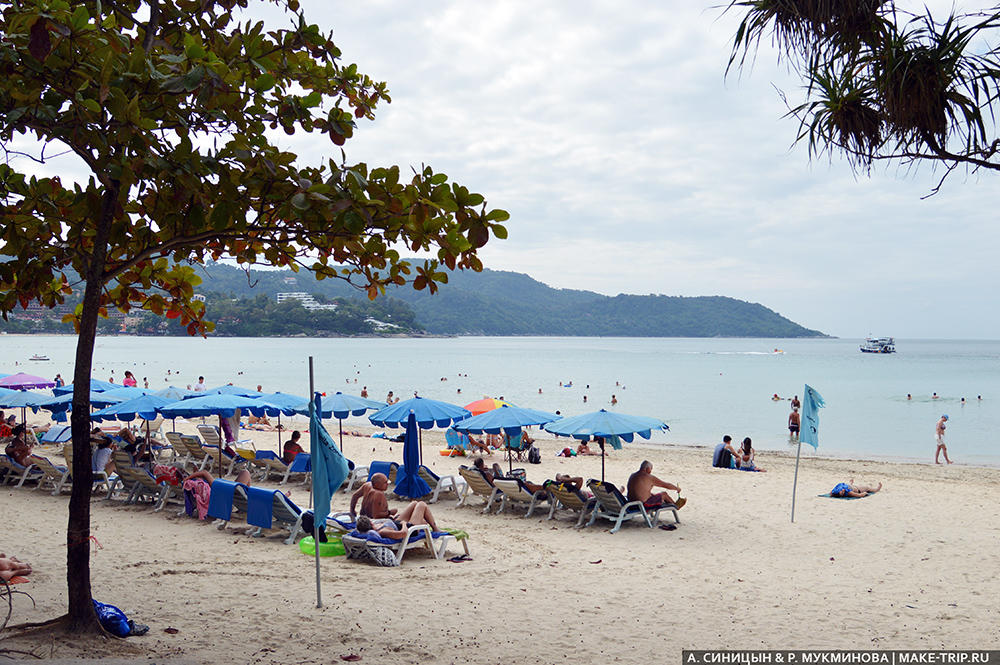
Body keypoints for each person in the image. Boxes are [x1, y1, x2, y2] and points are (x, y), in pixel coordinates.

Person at [355, 501, 439, 539]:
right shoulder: (382, 531)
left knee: (414, 503)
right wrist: (404, 524)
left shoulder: (375, 526)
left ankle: (423, 522)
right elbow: (403, 534)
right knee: (421, 505)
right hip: (409, 529)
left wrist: (392, 518)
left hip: (396, 523)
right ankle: (435, 529)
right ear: (370, 523)